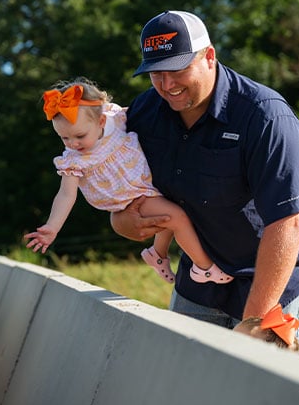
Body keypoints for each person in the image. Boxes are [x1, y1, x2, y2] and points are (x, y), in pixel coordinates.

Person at [111, 10, 299, 349]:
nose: (167, 86)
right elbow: (120, 188)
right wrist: (121, 220)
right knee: (186, 374)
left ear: (209, 56)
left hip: (270, 275)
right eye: (156, 74)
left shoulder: (266, 116)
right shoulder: (144, 114)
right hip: (199, 276)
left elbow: (288, 222)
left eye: (178, 69)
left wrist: (254, 322)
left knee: (260, 384)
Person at [23, 77, 233, 286]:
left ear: (101, 121)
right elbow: (66, 194)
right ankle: (204, 268)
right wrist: (52, 226)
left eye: (79, 136)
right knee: (177, 217)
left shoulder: (115, 119)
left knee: (169, 213)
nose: (72, 143)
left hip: (144, 186)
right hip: (126, 197)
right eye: (64, 138)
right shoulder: (74, 160)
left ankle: (157, 254)